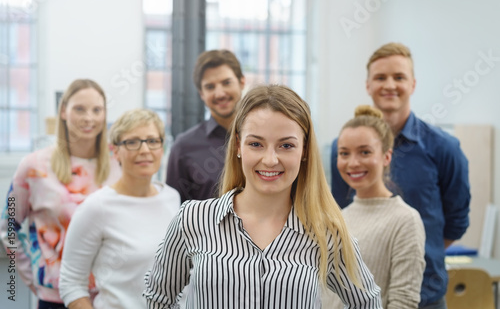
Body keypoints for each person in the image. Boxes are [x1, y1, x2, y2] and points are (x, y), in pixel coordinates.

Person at [144, 85, 382, 308]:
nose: (270, 159)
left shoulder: (326, 231)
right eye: (256, 144)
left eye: (286, 146)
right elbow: (157, 298)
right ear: (238, 146)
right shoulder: (193, 220)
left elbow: (368, 303)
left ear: (305, 150)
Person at [330, 43, 471, 308]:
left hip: (424, 295)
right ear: (368, 85)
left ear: (413, 84)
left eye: (399, 77)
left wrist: (408, 247)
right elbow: (343, 212)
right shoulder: (344, 150)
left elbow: (457, 221)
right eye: (380, 78)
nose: (389, 85)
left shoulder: (444, 148)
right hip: (358, 295)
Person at [0, 79, 121, 309]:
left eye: (97, 110)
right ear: (63, 111)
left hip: (111, 295)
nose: (89, 118)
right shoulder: (33, 166)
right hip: (54, 297)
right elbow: (8, 228)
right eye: (79, 109)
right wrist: (34, 276)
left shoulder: (120, 162)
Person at [59, 109, 181, 309]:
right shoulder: (97, 207)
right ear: (115, 151)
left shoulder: (172, 198)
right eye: (132, 142)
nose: (144, 150)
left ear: (162, 147)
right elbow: (71, 283)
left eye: (152, 141)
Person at [328, 105, 425, 309]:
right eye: (344, 153)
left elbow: (404, 302)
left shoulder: (405, 220)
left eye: (364, 152)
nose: (352, 163)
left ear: (386, 156)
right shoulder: (338, 217)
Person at [166, 49, 245, 203]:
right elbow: (175, 212)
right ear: (201, 94)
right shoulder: (183, 147)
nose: (220, 93)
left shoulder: (265, 138)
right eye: (210, 87)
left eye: (226, 82)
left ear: (242, 82)